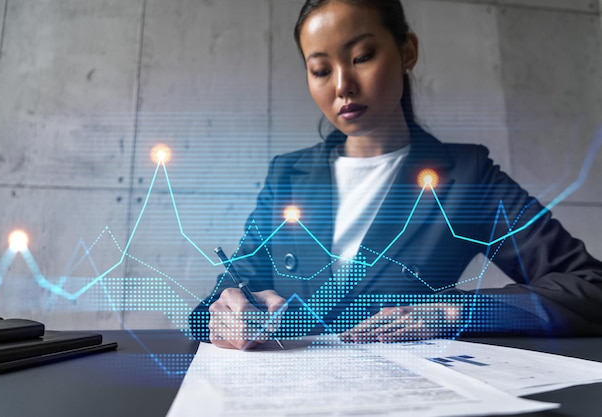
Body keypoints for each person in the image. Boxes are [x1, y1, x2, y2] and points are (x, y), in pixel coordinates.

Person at [190, 0, 602, 350]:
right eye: (320, 70)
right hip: (284, 392)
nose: (342, 86)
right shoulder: (288, 175)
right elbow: (225, 295)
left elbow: (590, 286)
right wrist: (225, 311)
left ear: (407, 52)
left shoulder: (466, 176)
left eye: (362, 57)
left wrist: (454, 311)